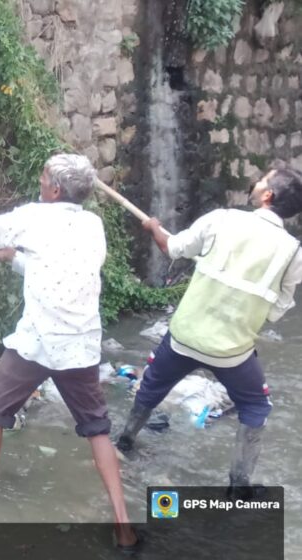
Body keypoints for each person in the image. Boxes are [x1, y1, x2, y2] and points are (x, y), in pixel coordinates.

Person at [0, 154, 137, 549]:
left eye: (43, 176)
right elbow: (61, 269)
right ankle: (123, 522)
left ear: (54, 189)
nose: (39, 181)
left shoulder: (35, 217)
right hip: (81, 346)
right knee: (98, 430)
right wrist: (15, 258)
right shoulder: (93, 225)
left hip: (37, 343)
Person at [117, 162, 302, 496]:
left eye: (261, 181)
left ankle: (125, 442)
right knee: (256, 408)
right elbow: (278, 310)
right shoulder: (293, 252)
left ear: (267, 196)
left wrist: (154, 228)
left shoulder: (221, 219)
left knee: (151, 387)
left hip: (184, 337)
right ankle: (238, 487)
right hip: (233, 351)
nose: (255, 183)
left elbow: (172, 249)